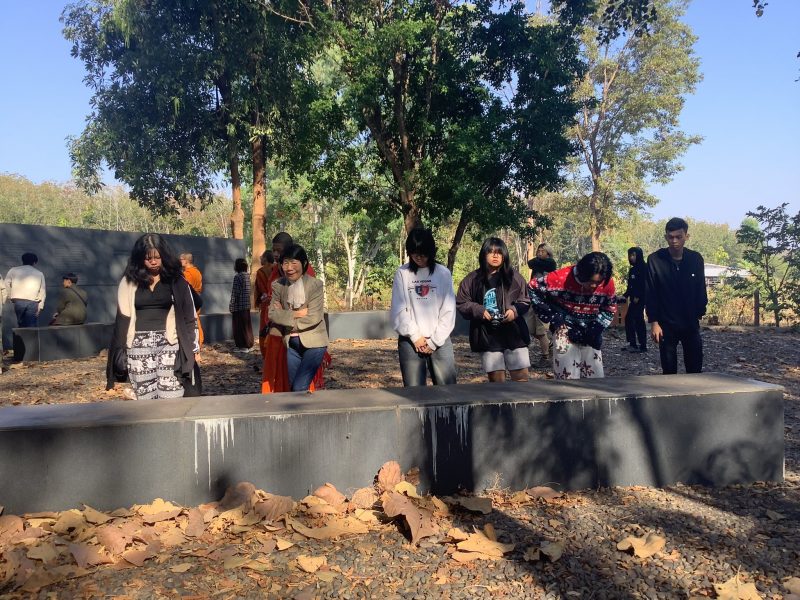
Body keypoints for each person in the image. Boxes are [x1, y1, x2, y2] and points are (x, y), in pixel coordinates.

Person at [114, 234, 199, 400]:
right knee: (146, 398)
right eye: (148, 258)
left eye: (157, 257)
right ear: (140, 259)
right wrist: (120, 348)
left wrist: (193, 348)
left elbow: (190, 315)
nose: (153, 262)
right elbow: (122, 319)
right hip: (138, 345)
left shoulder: (177, 281)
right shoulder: (128, 282)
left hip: (169, 343)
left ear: (164, 256)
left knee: (172, 395)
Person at [528, 252, 617, 380]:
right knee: (566, 378)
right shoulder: (559, 278)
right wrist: (553, 316)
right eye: (590, 281)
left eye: (598, 282)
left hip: (590, 330)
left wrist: (597, 327)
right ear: (581, 273)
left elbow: (610, 308)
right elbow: (532, 287)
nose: (593, 286)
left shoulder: (607, 283)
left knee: (595, 378)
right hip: (564, 330)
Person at [457, 237, 530, 383]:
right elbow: (461, 303)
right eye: (491, 252)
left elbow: (525, 300)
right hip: (487, 335)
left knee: (521, 380)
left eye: (499, 252)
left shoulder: (515, 277)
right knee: (497, 384)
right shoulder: (472, 279)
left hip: (514, 334)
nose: (495, 256)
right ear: (484, 255)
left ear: (504, 255)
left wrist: (514, 311)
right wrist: (478, 310)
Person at [390, 228, 457, 386]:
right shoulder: (403, 273)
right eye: (414, 253)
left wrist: (434, 341)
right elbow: (399, 309)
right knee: (414, 392)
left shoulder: (443, 273)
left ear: (431, 251)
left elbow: (448, 310)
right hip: (410, 341)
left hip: (440, 340)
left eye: (423, 253)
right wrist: (415, 336)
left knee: (448, 390)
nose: (419, 258)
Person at [645, 217, 708, 374]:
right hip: (666, 323)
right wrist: (654, 322)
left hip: (690, 321)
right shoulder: (655, 260)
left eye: (679, 237)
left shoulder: (695, 259)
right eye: (671, 237)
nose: (674, 241)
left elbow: (701, 287)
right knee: (668, 369)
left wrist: (700, 310)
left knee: (695, 367)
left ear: (686, 236)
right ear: (666, 237)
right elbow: (650, 292)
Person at [269, 244, 329, 391]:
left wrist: (284, 316)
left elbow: (313, 318)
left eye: (294, 263)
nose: (289, 268)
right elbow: (272, 314)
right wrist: (298, 313)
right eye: (285, 263)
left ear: (304, 263)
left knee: (299, 387)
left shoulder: (315, 285)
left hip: (314, 343)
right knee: (293, 389)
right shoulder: (278, 285)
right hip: (291, 344)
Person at [526, 243, 557, 367]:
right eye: (538, 251)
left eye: (543, 251)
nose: (539, 253)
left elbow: (536, 263)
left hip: (544, 302)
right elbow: (530, 263)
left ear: (548, 253)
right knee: (530, 329)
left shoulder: (550, 263)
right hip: (533, 299)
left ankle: (545, 358)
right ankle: (549, 344)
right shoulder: (538, 263)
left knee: (540, 332)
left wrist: (538, 261)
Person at [4, 252, 46, 328]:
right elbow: (42, 291)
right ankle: (30, 336)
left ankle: (21, 335)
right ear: (34, 262)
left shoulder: (13, 270)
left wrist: (10, 296)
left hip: (18, 301)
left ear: (23, 260)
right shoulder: (39, 273)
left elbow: (6, 284)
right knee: (31, 325)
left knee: (21, 323)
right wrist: (40, 306)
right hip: (33, 302)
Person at [620, 247, 648, 353]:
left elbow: (644, 284)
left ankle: (641, 345)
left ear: (639, 255)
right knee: (632, 319)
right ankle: (634, 344)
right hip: (633, 299)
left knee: (636, 320)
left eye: (633, 255)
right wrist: (625, 295)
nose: (631, 257)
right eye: (630, 255)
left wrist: (638, 296)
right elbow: (631, 286)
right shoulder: (632, 269)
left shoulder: (644, 268)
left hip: (640, 299)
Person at [229, 258, 254, 351]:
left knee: (239, 327)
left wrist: (231, 305)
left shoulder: (238, 277)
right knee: (247, 326)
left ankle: (242, 346)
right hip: (246, 305)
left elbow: (235, 293)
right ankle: (249, 344)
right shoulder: (247, 276)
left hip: (239, 306)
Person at [180, 253, 204, 347]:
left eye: (181, 259)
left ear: (186, 261)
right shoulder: (197, 272)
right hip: (197, 298)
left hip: (190, 300)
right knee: (196, 321)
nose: (180, 261)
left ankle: (196, 343)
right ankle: (198, 342)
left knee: (192, 322)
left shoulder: (187, 274)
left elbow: (185, 288)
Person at [254, 250, 275, 357]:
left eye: (261, 257)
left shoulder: (261, 272)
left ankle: (266, 354)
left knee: (264, 328)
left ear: (266, 258)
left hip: (266, 304)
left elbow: (261, 289)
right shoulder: (276, 269)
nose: (260, 259)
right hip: (278, 303)